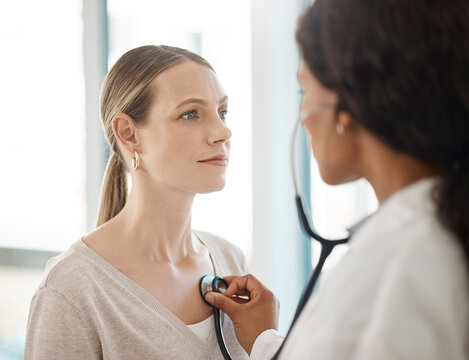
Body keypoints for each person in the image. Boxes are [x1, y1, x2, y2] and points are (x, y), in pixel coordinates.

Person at [205, 0, 469, 359]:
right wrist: (267, 341)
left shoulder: (407, 259)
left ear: (345, 105)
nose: (303, 114)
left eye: (304, 90)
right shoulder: (422, 235)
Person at [24, 45, 249, 360]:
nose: (223, 132)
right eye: (190, 114)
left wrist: (267, 343)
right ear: (128, 134)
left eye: (222, 112)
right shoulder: (72, 290)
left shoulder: (231, 262)